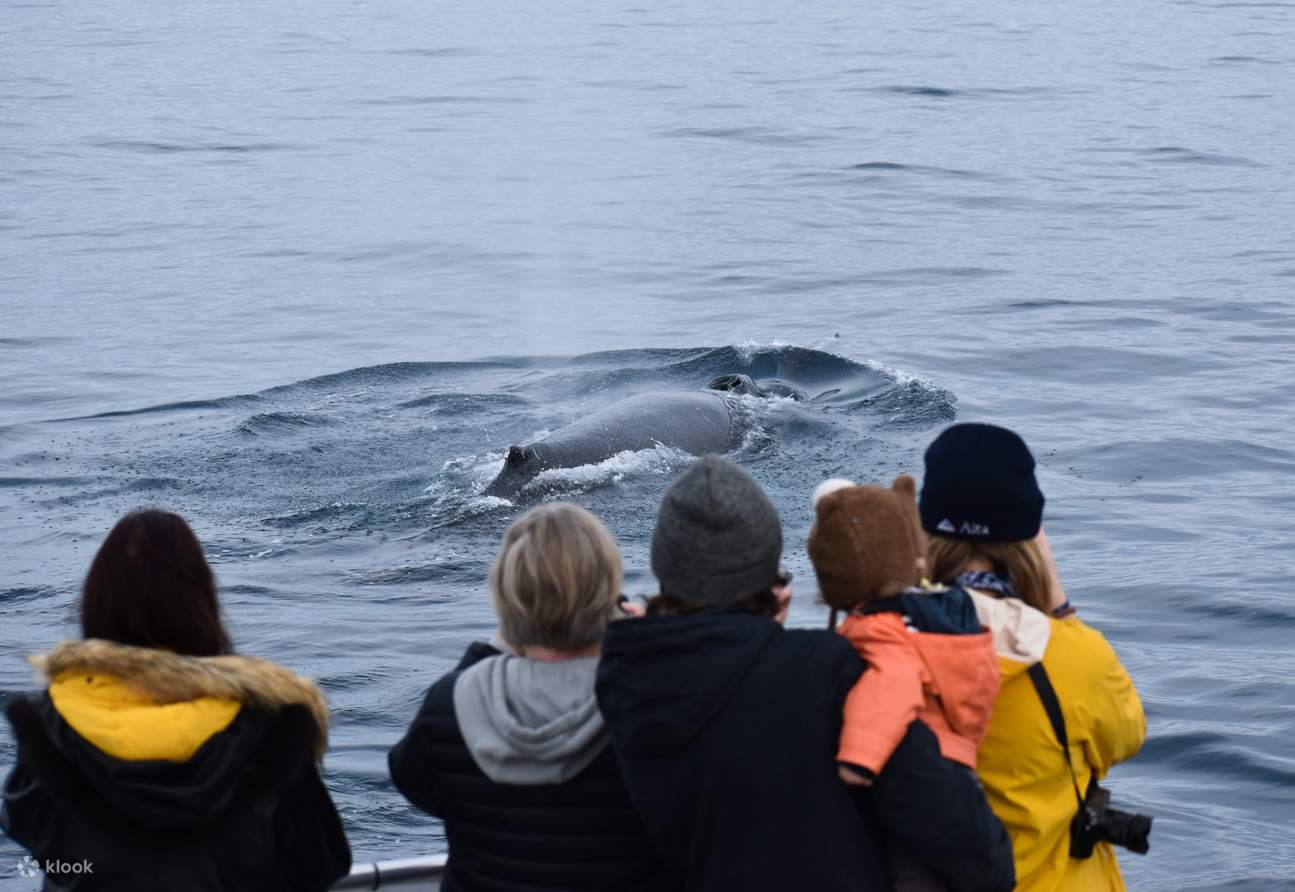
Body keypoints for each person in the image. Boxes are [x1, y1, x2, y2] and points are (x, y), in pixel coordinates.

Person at [596, 455, 1015, 892]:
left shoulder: (623, 677)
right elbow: (971, 846)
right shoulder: (830, 672)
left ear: (665, 573)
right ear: (776, 587)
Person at [1, 510, 350, 892]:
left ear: (95, 602)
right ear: (202, 601)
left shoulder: (51, 724)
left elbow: (37, 838)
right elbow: (321, 862)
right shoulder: (269, 725)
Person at [388, 502, 668, 892]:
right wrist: (644, 643)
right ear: (609, 593)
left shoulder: (449, 704)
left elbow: (414, 784)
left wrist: (496, 647)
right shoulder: (657, 705)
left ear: (505, 593)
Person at [919, 423, 1147, 892]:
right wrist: (1060, 608)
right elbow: (1125, 737)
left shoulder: (877, 637)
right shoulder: (1075, 656)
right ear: (1033, 534)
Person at [808, 475, 1002, 891]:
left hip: (916, 776)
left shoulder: (882, 629)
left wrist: (860, 757)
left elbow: (894, 684)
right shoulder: (938, 620)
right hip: (959, 770)